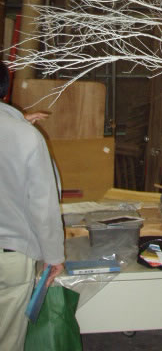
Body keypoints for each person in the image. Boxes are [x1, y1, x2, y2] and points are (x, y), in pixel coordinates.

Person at [0, 62, 65, 351]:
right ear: (5, 91)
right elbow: (43, 203)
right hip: (9, 258)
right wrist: (53, 256)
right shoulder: (25, 136)